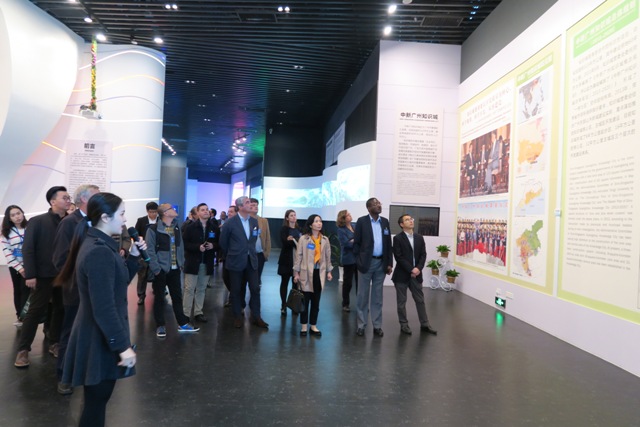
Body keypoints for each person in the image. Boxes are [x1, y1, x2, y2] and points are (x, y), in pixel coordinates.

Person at [58, 192, 142, 427]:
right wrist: (122, 347)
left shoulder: (101, 245)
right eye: (122, 214)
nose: (125, 220)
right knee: (95, 405)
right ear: (105, 217)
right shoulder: (99, 251)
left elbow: (117, 285)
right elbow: (104, 307)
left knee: (96, 402)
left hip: (99, 336)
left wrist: (134, 258)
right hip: (98, 339)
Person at [52, 184, 100, 394]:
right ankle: (64, 376)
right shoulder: (69, 223)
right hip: (76, 289)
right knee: (70, 331)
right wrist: (80, 277)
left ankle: (86, 371)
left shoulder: (97, 222)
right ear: (84, 200)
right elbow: (60, 259)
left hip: (95, 287)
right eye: (96, 197)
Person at [15, 186, 70, 368]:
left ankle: (54, 343)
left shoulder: (71, 221)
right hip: (43, 276)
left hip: (64, 275)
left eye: (69, 197)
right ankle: (23, 349)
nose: (68, 200)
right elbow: (28, 249)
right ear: (53, 201)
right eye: (64, 197)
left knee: (60, 309)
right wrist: (30, 274)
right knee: (35, 311)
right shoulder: (38, 221)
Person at [146, 203, 199, 337]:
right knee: (159, 299)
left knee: (177, 297)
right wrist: (156, 269)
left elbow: (180, 246)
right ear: (165, 213)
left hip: (175, 268)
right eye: (171, 208)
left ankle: (182, 323)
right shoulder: (153, 229)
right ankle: (160, 325)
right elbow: (150, 251)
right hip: (161, 270)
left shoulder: (176, 227)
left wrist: (181, 262)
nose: (174, 210)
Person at [219, 196, 268, 329]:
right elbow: (223, 243)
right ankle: (237, 316)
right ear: (240, 207)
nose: (250, 204)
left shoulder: (254, 221)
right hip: (235, 260)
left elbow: (253, 239)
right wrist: (233, 253)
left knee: (255, 288)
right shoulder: (230, 223)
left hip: (251, 260)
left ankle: (256, 316)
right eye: (247, 202)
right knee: (236, 290)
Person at [391, 214, 437, 336]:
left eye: (411, 219)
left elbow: (423, 255)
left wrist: (418, 268)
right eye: (407, 220)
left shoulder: (419, 237)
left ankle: (425, 324)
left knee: (420, 300)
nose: (411, 221)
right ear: (401, 224)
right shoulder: (397, 238)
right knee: (401, 302)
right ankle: (404, 324)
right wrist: (411, 269)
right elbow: (398, 257)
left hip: (416, 275)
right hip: (401, 275)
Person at [353, 197, 393, 337]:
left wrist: (389, 263)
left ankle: (377, 325)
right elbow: (356, 243)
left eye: (379, 203)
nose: (379, 205)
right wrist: (359, 261)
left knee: (377, 296)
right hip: (366, 263)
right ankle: (361, 325)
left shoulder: (385, 222)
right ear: (369, 208)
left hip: (381, 263)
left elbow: (388, 244)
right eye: (375, 204)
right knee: (362, 295)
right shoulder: (362, 221)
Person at [293, 214, 332, 336]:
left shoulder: (324, 240)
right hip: (306, 273)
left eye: (320, 221)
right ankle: (304, 326)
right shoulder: (304, 239)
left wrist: (329, 271)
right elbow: (298, 256)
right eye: (316, 221)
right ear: (310, 225)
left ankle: (313, 326)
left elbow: (328, 257)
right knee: (305, 301)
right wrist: (296, 272)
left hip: (319, 273)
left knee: (316, 302)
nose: (319, 223)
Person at [182, 203, 218, 323]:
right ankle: (186, 313)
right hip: (192, 262)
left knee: (201, 289)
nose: (206, 211)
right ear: (197, 212)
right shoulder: (190, 227)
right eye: (202, 210)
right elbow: (184, 244)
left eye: (207, 209)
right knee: (189, 289)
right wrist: (197, 247)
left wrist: (213, 245)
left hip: (206, 262)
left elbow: (219, 243)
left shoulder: (214, 227)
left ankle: (198, 312)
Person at [1, 205, 29, 326]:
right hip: (16, 267)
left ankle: (28, 317)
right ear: (9, 218)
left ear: (23, 213)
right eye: (13, 215)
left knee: (27, 290)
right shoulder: (6, 233)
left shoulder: (30, 228)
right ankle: (20, 316)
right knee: (19, 290)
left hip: (31, 264)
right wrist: (20, 268)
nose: (17, 217)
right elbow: (7, 252)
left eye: (18, 213)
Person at [277, 209, 301, 316]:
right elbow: (285, 243)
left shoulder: (299, 229)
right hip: (286, 260)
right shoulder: (284, 229)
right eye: (291, 215)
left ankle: (294, 305)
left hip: (297, 260)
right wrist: (293, 241)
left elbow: (301, 243)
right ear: (287, 218)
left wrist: (292, 240)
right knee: (284, 282)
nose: (294, 217)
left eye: (294, 215)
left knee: (295, 283)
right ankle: (283, 305)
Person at [133, 201, 158, 305]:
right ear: (147, 211)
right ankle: (141, 295)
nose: (153, 214)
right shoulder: (141, 221)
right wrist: (140, 242)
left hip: (156, 252)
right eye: (151, 212)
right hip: (143, 252)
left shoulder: (160, 221)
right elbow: (135, 234)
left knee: (157, 273)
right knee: (142, 275)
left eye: (155, 212)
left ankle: (158, 291)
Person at [336, 210, 357, 312]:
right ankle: (345, 303)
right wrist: (355, 241)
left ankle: (361, 304)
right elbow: (346, 244)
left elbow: (360, 240)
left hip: (358, 258)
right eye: (348, 215)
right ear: (343, 218)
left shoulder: (354, 226)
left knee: (360, 283)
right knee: (348, 283)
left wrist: (353, 240)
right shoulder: (341, 230)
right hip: (348, 259)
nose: (350, 216)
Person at [250, 198, 271, 282]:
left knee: (257, 279)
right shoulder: (245, 220)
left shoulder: (264, 221)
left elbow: (268, 239)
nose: (256, 207)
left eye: (257, 205)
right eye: (253, 205)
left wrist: (266, 254)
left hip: (260, 254)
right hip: (248, 254)